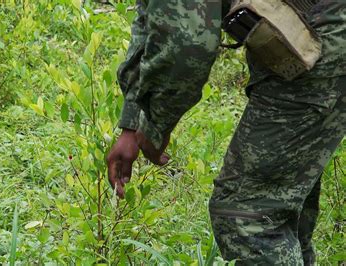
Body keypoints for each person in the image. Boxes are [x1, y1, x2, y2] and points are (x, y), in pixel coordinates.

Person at [105, 0, 346, 264]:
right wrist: (132, 121)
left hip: (322, 43)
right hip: (320, 34)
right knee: (279, 207)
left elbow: (188, 43)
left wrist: (154, 125)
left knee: (247, 215)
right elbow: (153, 13)